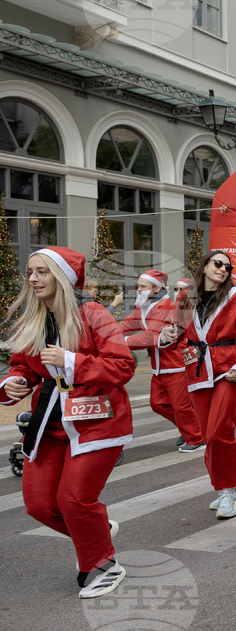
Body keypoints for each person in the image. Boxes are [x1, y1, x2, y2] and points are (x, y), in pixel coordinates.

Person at [0, 247, 135, 598]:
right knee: (39, 505)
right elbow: (22, 366)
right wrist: (13, 382)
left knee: (74, 501)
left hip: (98, 421)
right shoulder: (33, 317)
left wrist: (73, 360)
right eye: (30, 271)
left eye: (42, 271)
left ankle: (104, 565)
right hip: (48, 423)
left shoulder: (94, 313)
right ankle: (97, 532)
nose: (33, 278)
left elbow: (123, 366)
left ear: (61, 276)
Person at [168, 250, 236, 519]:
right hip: (197, 373)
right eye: (218, 264)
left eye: (227, 268)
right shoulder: (187, 300)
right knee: (209, 436)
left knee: (219, 431)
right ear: (205, 266)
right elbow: (181, 335)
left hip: (226, 372)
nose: (223, 270)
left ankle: (227, 492)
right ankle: (228, 485)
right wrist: (169, 336)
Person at [119, 268, 204, 453]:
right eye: (138, 286)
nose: (138, 289)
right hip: (159, 368)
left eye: (143, 286)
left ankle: (196, 436)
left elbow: (149, 338)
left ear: (156, 289)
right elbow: (128, 323)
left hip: (176, 366)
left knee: (181, 407)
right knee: (157, 404)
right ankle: (191, 428)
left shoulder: (166, 307)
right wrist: (108, 334)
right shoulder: (144, 306)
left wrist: (120, 342)